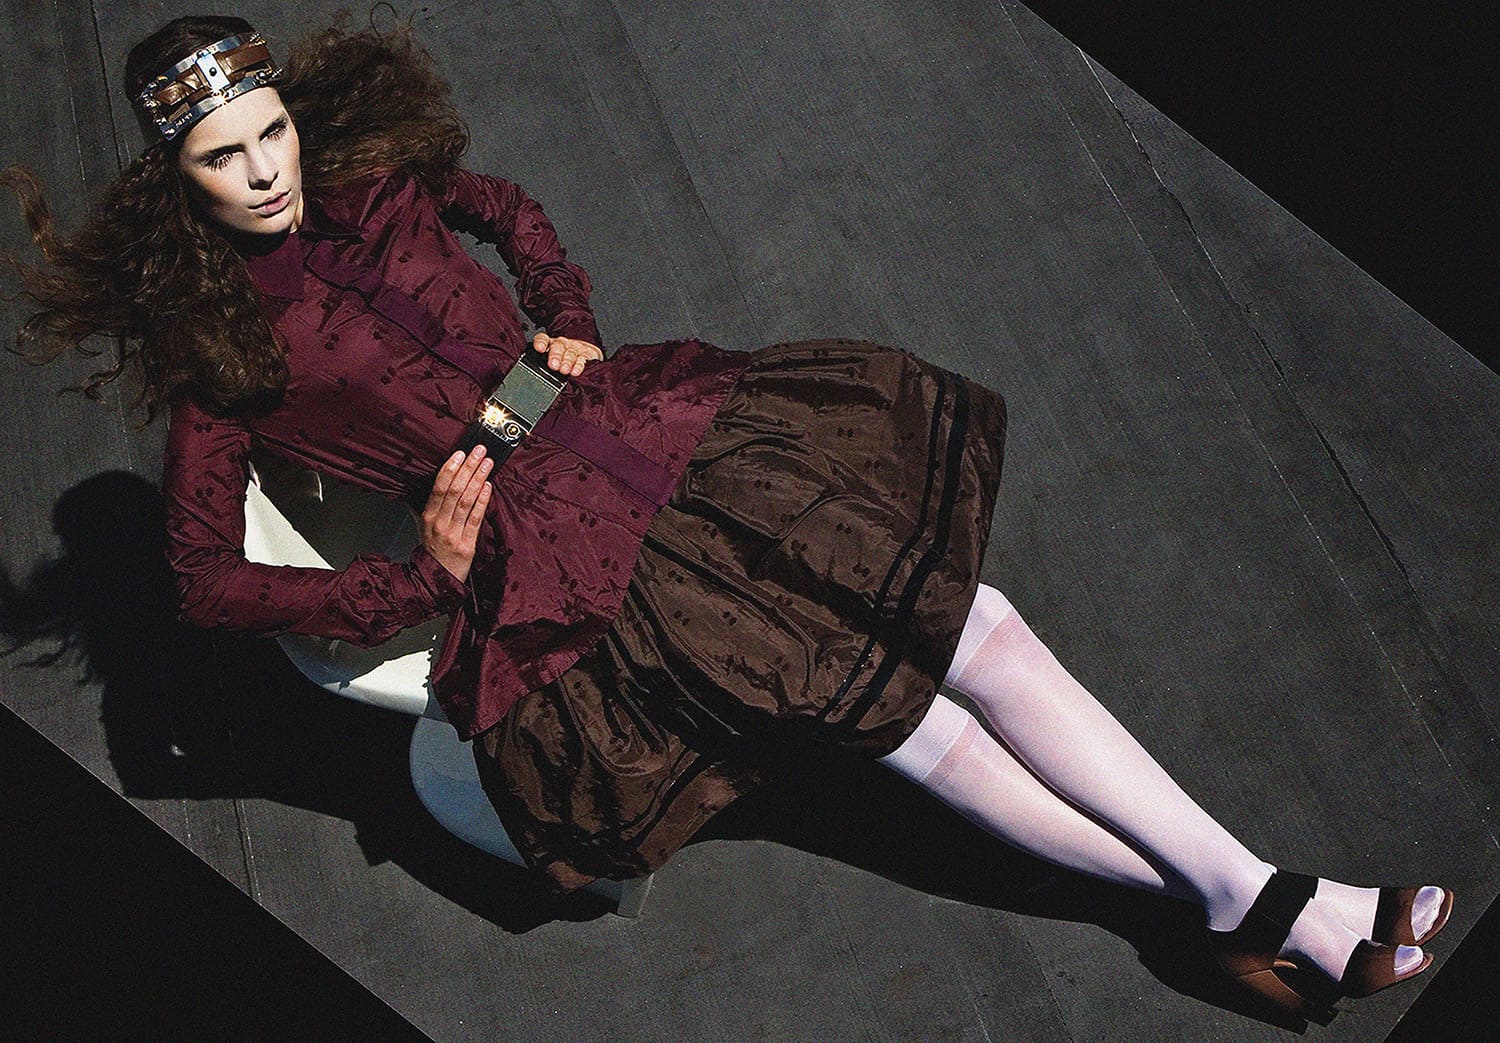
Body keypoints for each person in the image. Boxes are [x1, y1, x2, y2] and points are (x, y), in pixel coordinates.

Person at [3, 12, 1452, 1020]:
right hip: (551, 554)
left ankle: (1242, 898)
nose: (266, 173)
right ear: (178, 182)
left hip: (642, 427)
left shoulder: (373, 180)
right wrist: (421, 582)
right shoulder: (217, 354)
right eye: (224, 159)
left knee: (982, 627)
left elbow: (504, 207)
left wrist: (562, 313)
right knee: (896, 717)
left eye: (269, 134)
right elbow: (204, 580)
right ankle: (1260, 903)